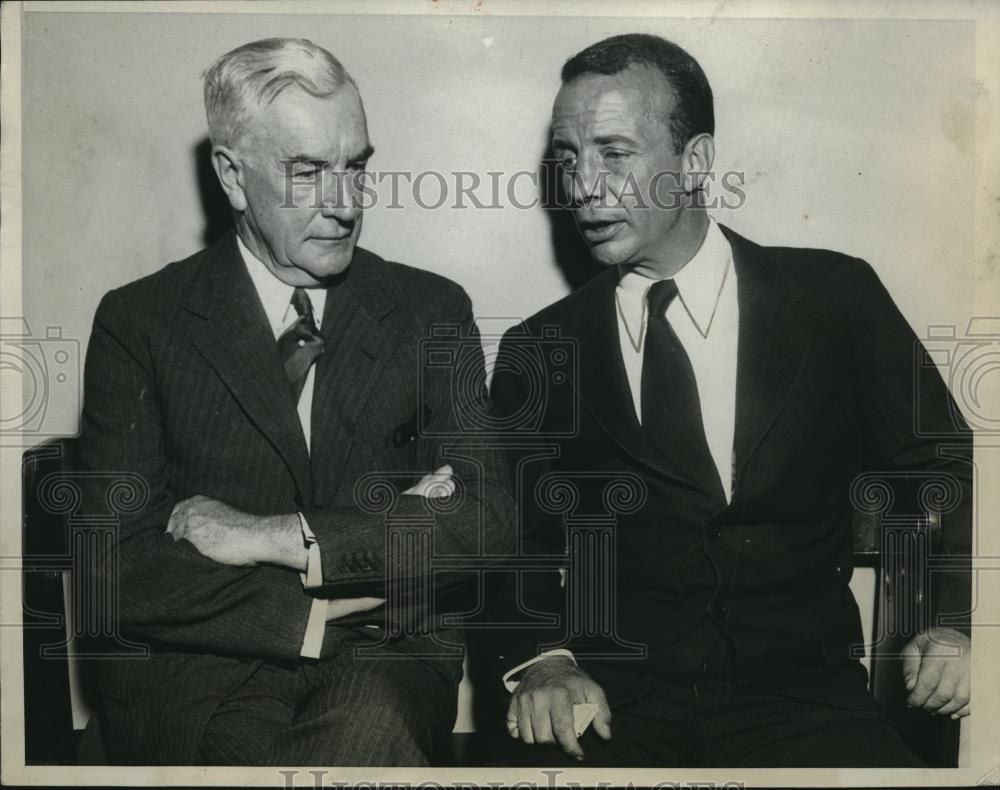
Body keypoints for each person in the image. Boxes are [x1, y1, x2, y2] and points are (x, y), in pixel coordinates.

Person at [490, 33, 972, 767]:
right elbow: (506, 542)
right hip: (615, 709)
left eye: (614, 154)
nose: (583, 185)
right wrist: (545, 662)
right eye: (568, 157)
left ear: (696, 161)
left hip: (806, 703)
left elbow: (939, 463)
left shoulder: (835, 297)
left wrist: (951, 624)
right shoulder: (539, 348)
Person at [76, 37, 512, 766]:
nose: (345, 205)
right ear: (232, 175)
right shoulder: (141, 321)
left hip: (383, 654)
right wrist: (315, 607)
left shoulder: (430, 310)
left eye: (356, 167)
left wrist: (277, 537)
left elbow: (486, 520)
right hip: (200, 677)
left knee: (366, 742)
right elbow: (113, 567)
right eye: (307, 173)